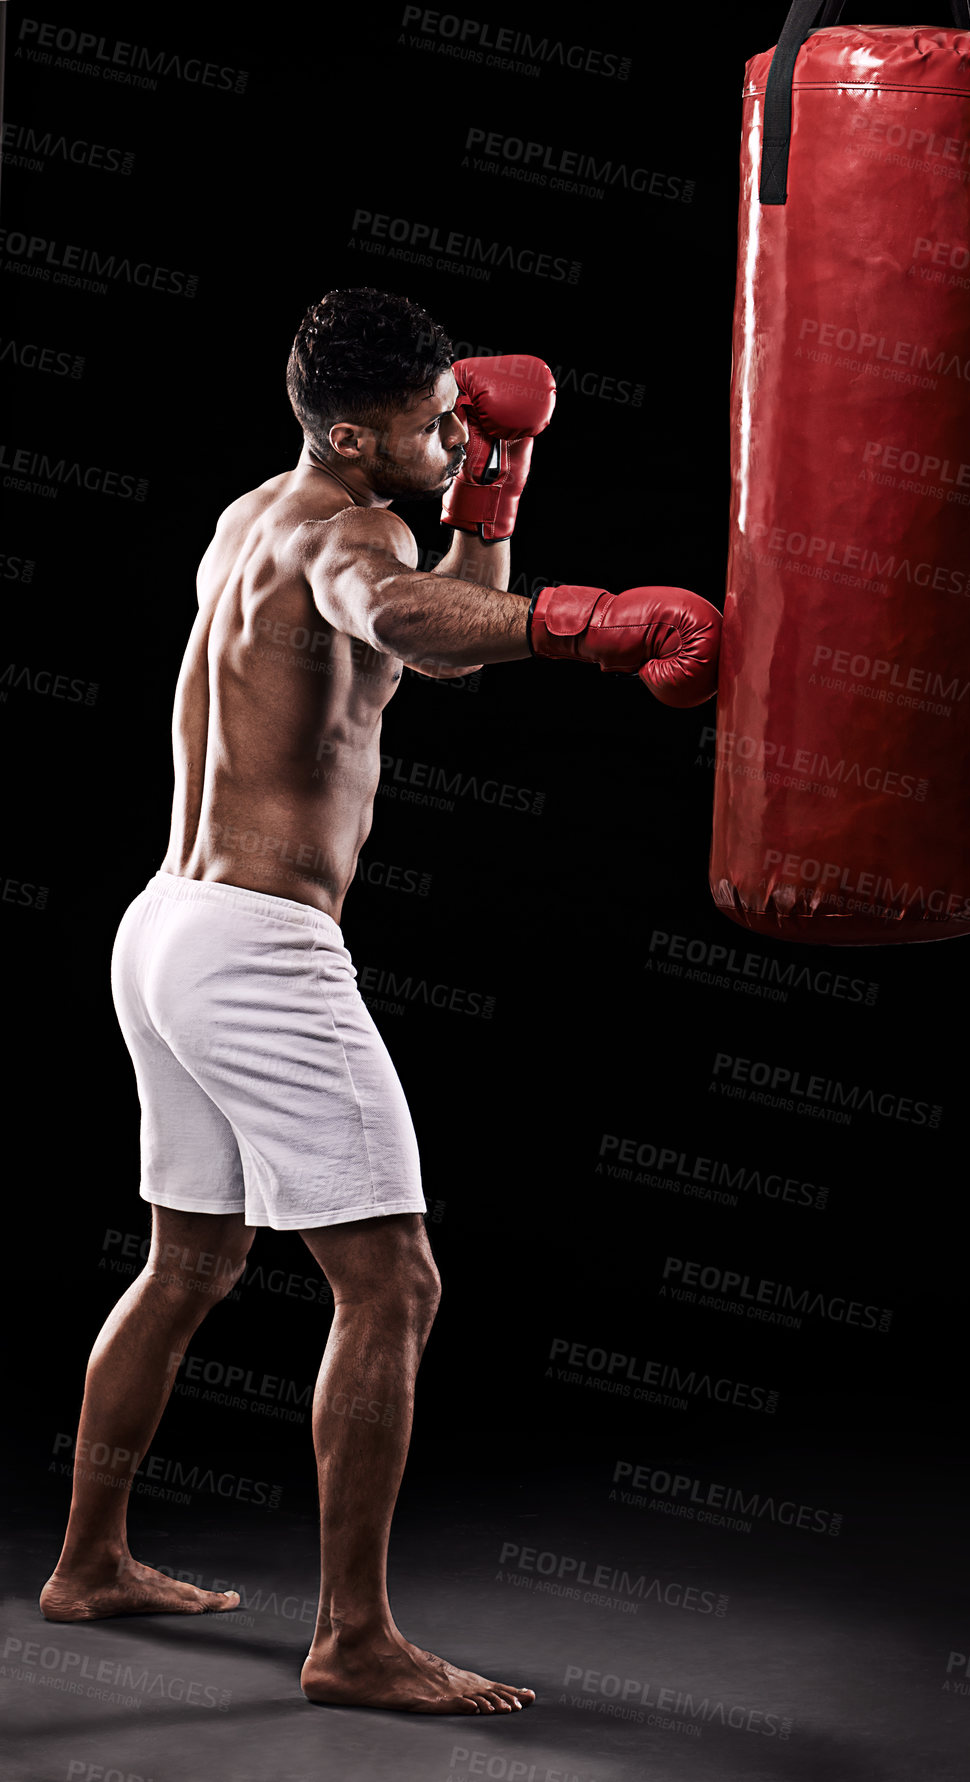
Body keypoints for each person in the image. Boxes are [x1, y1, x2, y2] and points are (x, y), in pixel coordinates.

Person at [38, 288, 721, 1713]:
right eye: (431, 425)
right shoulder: (357, 536)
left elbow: (430, 647)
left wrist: (494, 498)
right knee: (395, 1280)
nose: (455, 431)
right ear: (354, 436)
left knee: (192, 1263)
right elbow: (406, 610)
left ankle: (88, 1562)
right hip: (256, 950)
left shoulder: (256, 515)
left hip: (161, 926)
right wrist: (587, 625)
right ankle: (354, 1638)